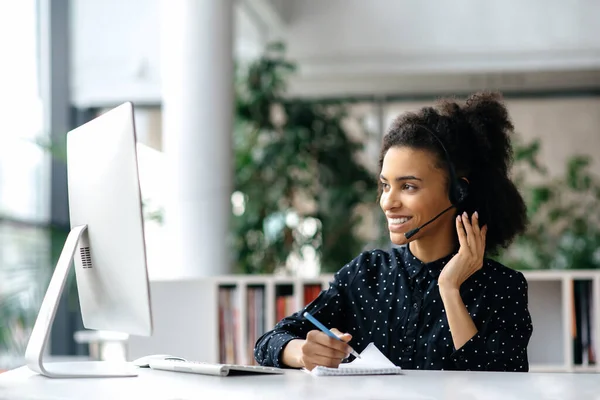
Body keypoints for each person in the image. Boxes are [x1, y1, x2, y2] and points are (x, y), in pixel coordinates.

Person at [254, 92, 533, 372]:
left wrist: (449, 288)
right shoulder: (365, 274)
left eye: (408, 186)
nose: (388, 202)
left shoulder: (502, 288)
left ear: (458, 191)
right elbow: (269, 342)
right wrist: (303, 352)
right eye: (386, 185)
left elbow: (500, 381)